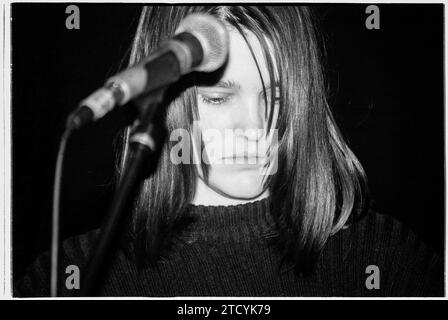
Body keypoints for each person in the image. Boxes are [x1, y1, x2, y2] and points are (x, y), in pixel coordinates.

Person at [15, 5, 443, 297]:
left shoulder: (385, 258)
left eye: (275, 98)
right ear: (166, 100)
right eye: (218, 98)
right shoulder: (67, 276)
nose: (254, 128)